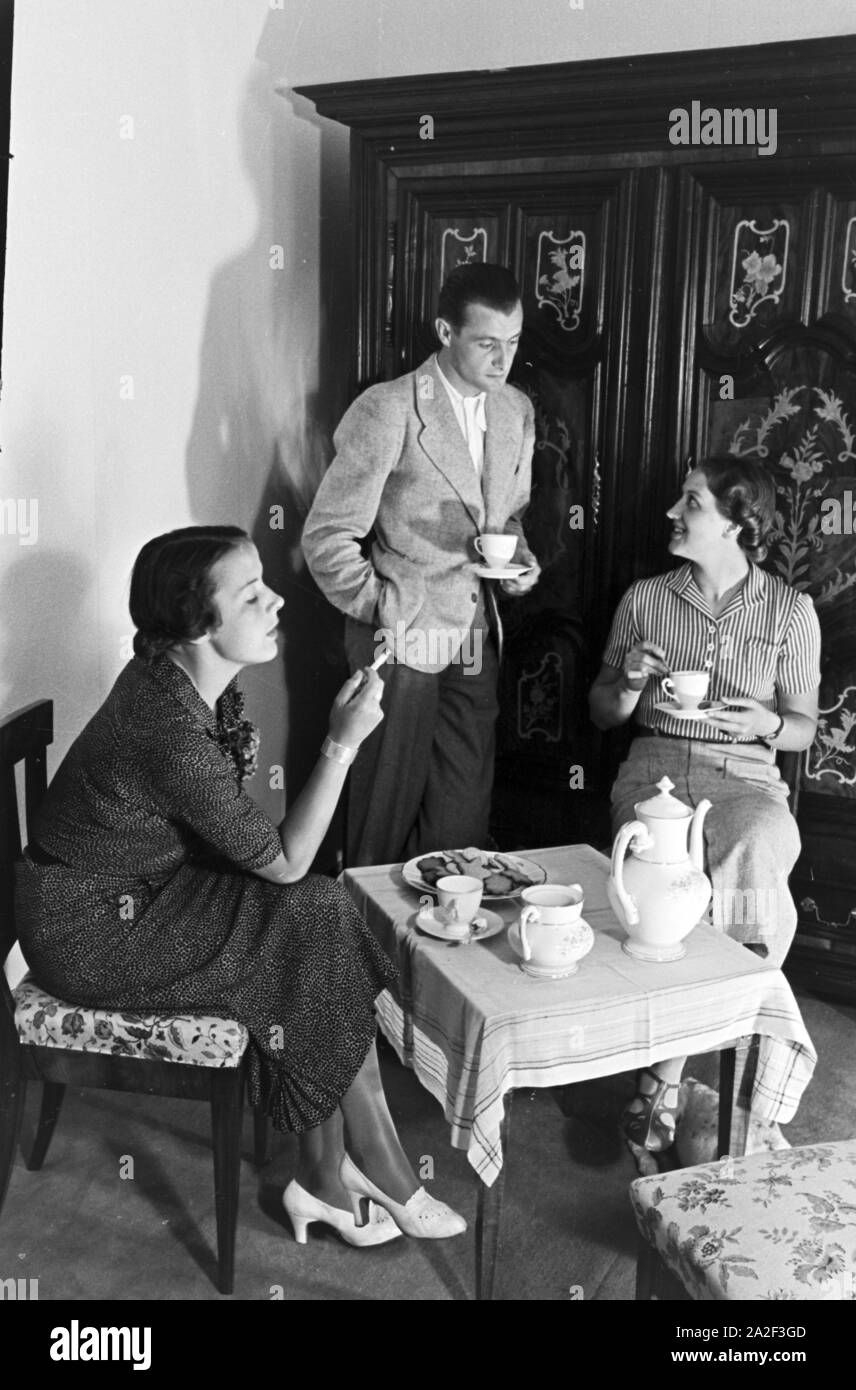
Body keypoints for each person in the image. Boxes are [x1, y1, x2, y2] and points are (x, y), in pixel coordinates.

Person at [15, 526, 466, 1243]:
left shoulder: (183, 680)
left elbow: (271, 859)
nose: (277, 600)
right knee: (304, 906)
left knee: (314, 910)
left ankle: (325, 1176)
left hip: (147, 889)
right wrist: (342, 742)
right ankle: (362, 1167)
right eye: (252, 593)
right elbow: (282, 861)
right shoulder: (166, 726)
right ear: (198, 624)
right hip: (90, 932)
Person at [589, 458, 820, 1152]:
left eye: (689, 502)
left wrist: (765, 726)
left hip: (747, 775)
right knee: (663, 859)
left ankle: (669, 1075)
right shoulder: (645, 598)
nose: (672, 513)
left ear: (735, 522)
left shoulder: (790, 611)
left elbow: (802, 727)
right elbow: (604, 713)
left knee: (756, 846)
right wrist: (628, 681)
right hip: (655, 764)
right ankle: (729, 1102)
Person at [302, 263, 541, 867]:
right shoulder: (389, 409)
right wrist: (385, 607)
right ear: (444, 330)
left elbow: (506, 519)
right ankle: (365, 953)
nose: (502, 360)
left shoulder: (515, 411)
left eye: (512, 343)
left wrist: (520, 562)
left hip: (474, 634)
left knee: (461, 819)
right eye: (487, 343)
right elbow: (327, 537)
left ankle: (438, 953)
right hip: (398, 638)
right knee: (382, 818)